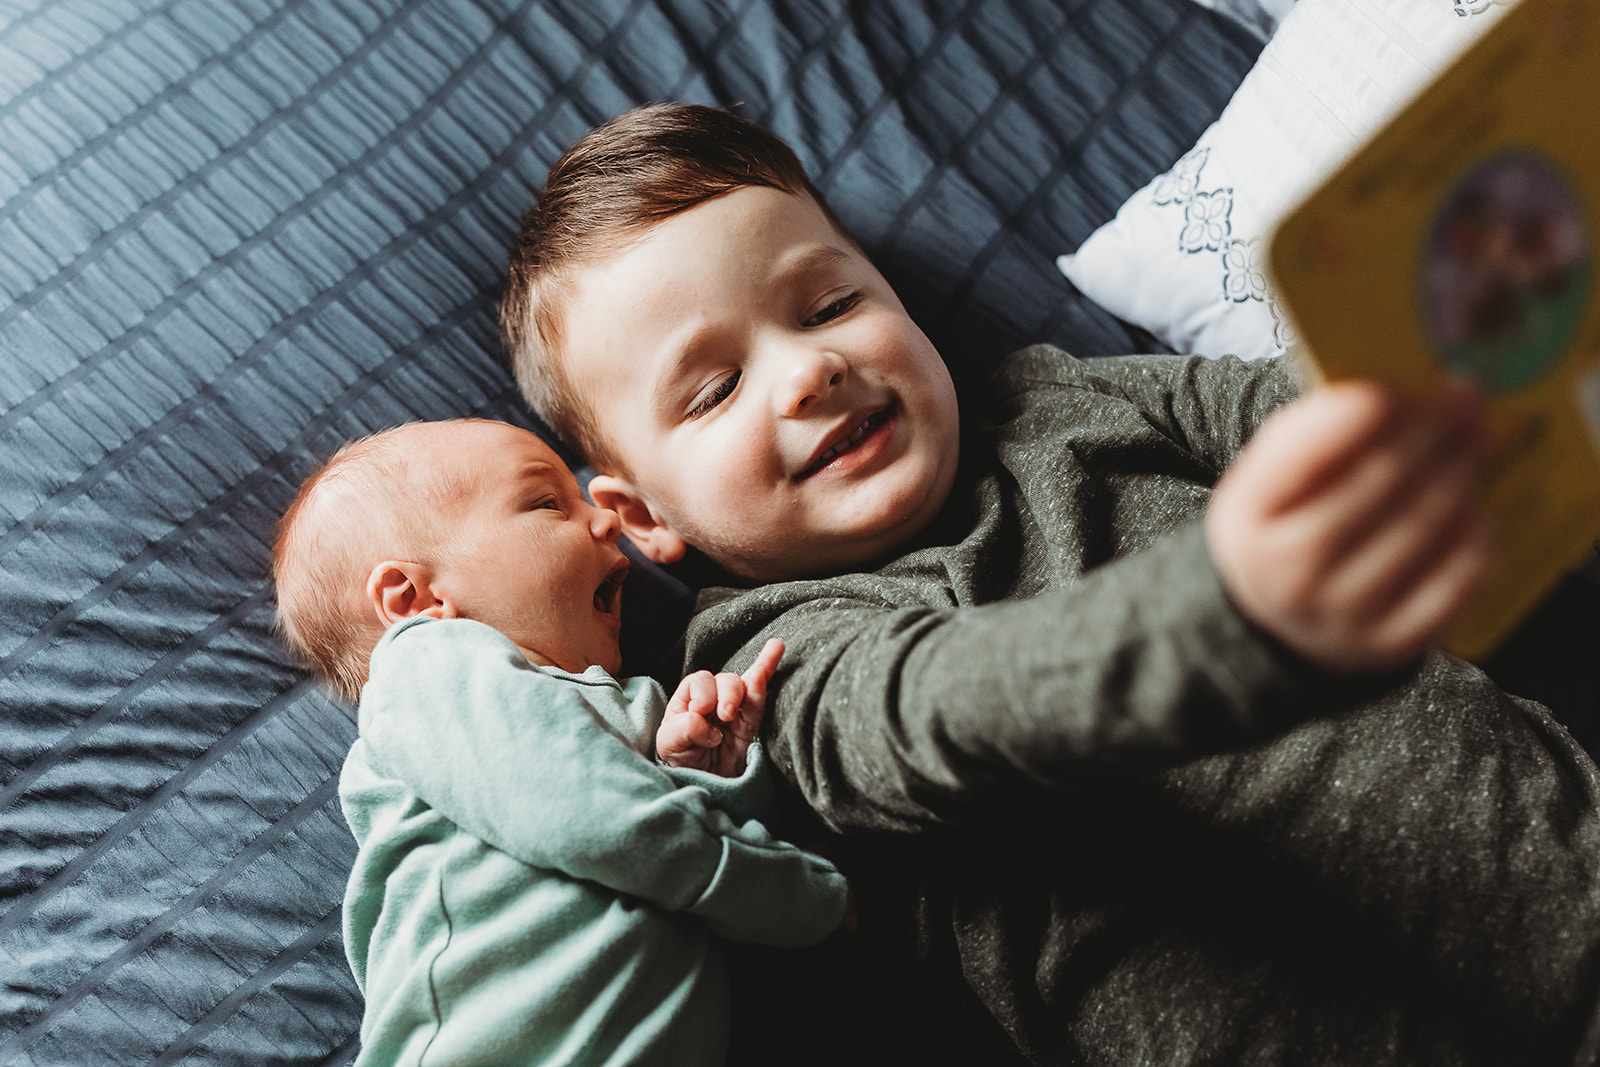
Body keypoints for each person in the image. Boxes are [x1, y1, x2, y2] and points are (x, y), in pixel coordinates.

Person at [496, 102, 1600, 1066]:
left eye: (828, 305)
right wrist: (1235, 609)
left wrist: (1463, 344)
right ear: (641, 518)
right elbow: (948, 712)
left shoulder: (1062, 398)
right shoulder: (768, 663)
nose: (810, 368)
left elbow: (1293, 404)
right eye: (716, 385)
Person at [270, 417, 849, 1067]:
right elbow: (604, 824)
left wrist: (712, 768)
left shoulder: (632, 704)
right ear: (414, 598)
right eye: (547, 503)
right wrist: (806, 895)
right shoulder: (427, 672)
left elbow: (679, 846)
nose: (604, 518)